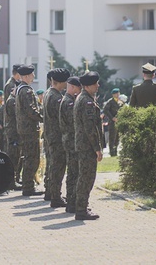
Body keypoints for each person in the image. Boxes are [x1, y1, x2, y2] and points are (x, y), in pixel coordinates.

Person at [74, 71, 104, 221]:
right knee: (86, 177)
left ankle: (81, 206)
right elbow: (90, 128)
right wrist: (97, 148)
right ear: (87, 86)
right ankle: (81, 209)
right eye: (95, 84)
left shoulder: (84, 98)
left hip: (84, 145)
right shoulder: (86, 101)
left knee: (84, 177)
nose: (98, 86)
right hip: (87, 146)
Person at [43, 68, 70, 208]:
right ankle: (55, 196)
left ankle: (50, 192)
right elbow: (62, 118)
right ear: (60, 82)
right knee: (57, 167)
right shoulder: (57, 97)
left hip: (50, 135)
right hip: (57, 136)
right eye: (65, 81)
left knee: (52, 165)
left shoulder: (48, 93)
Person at [15, 64, 44, 196]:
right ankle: (28, 187)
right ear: (26, 76)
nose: (33, 76)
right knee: (32, 158)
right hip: (29, 129)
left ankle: (28, 185)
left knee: (29, 157)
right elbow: (31, 111)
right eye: (32, 74)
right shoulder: (26, 90)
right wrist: (43, 118)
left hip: (25, 129)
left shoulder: (20, 89)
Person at [59, 76, 82, 214]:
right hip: (71, 141)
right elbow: (74, 123)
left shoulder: (68, 100)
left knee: (73, 172)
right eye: (79, 88)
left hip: (70, 140)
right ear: (72, 87)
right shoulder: (68, 103)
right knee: (73, 173)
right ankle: (72, 202)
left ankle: (72, 202)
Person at [3, 67, 22, 188]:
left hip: (14, 126)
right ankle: (10, 180)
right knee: (12, 154)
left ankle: (15, 177)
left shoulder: (13, 84)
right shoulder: (11, 86)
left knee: (17, 154)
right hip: (12, 126)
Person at [101, 88, 124, 157]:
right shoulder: (110, 101)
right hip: (112, 122)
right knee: (112, 137)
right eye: (116, 93)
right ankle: (111, 152)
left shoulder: (120, 101)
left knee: (117, 137)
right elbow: (105, 110)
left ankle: (115, 151)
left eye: (118, 93)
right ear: (113, 94)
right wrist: (112, 117)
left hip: (119, 121)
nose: (117, 95)